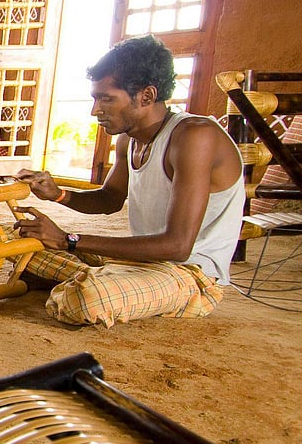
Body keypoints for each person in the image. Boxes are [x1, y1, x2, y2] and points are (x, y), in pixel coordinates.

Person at [14, 34, 245, 327]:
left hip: (189, 273)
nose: (95, 110)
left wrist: (67, 240)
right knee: (20, 241)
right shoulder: (129, 139)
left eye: (106, 98)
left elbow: (177, 246)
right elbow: (110, 199)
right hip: (143, 262)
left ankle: (96, 281)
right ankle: (108, 279)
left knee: (85, 299)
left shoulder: (194, 136)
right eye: (95, 98)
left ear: (146, 96)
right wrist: (58, 194)